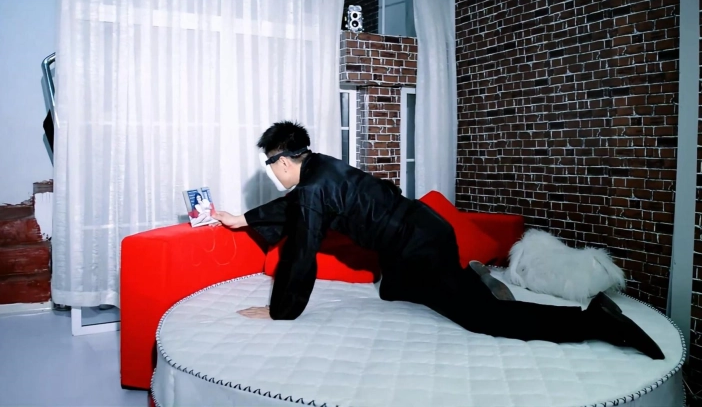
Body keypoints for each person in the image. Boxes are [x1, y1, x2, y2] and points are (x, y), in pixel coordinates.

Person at [213, 121, 664, 360]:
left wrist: (282, 311)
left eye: (270, 165)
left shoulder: (312, 187)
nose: (272, 174)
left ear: (284, 161)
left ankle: (596, 322)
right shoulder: (321, 167)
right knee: (392, 290)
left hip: (419, 245)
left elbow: (301, 255)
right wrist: (243, 219)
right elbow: (297, 207)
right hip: (418, 232)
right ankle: (474, 279)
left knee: (483, 319)